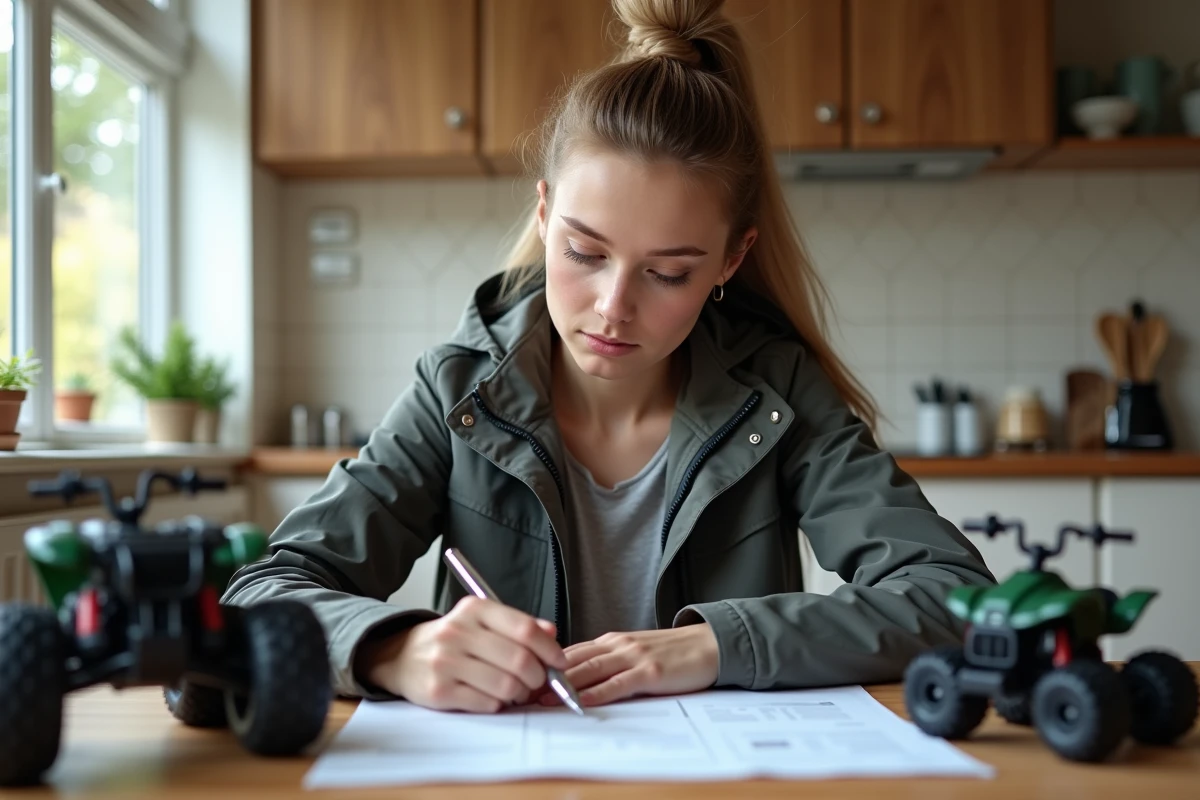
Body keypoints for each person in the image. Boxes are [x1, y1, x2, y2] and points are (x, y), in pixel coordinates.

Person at [222, 0, 993, 714]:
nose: (613, 307)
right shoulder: (458, 388)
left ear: (731, 259)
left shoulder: (778, 391)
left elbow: (954, 597)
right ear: (545, 209)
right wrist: (391, 648)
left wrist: (716, 645)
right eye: (584, 251)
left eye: (669, 273)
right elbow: (258, 591)